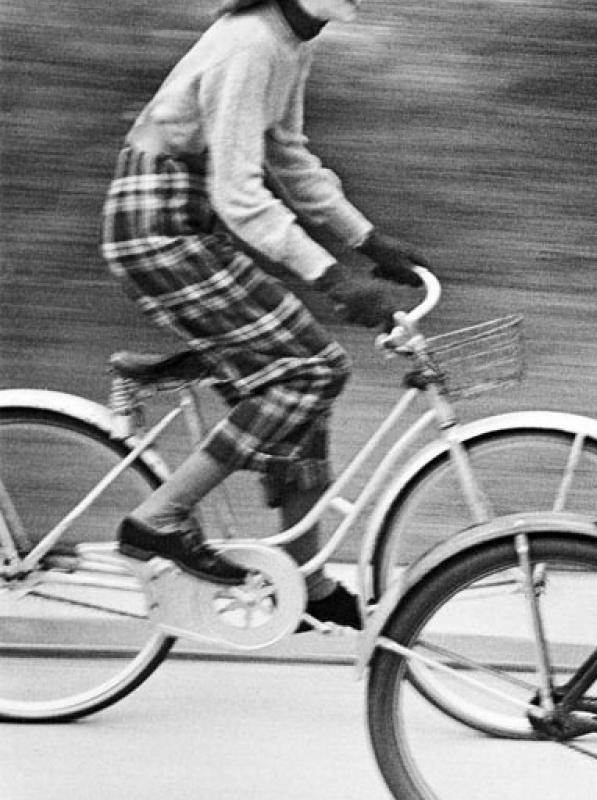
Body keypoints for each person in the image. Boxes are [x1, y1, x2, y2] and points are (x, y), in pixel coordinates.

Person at [101, 0, 427, 631]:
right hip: (157, 226)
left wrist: (365, 240)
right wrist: (334, 280)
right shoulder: (252, 42)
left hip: (188, 223)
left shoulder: (291, 38)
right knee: (311, 369)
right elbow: (240, 194)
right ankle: (158, 520)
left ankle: (305, 583)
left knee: (301, 389)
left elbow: (288, 155)